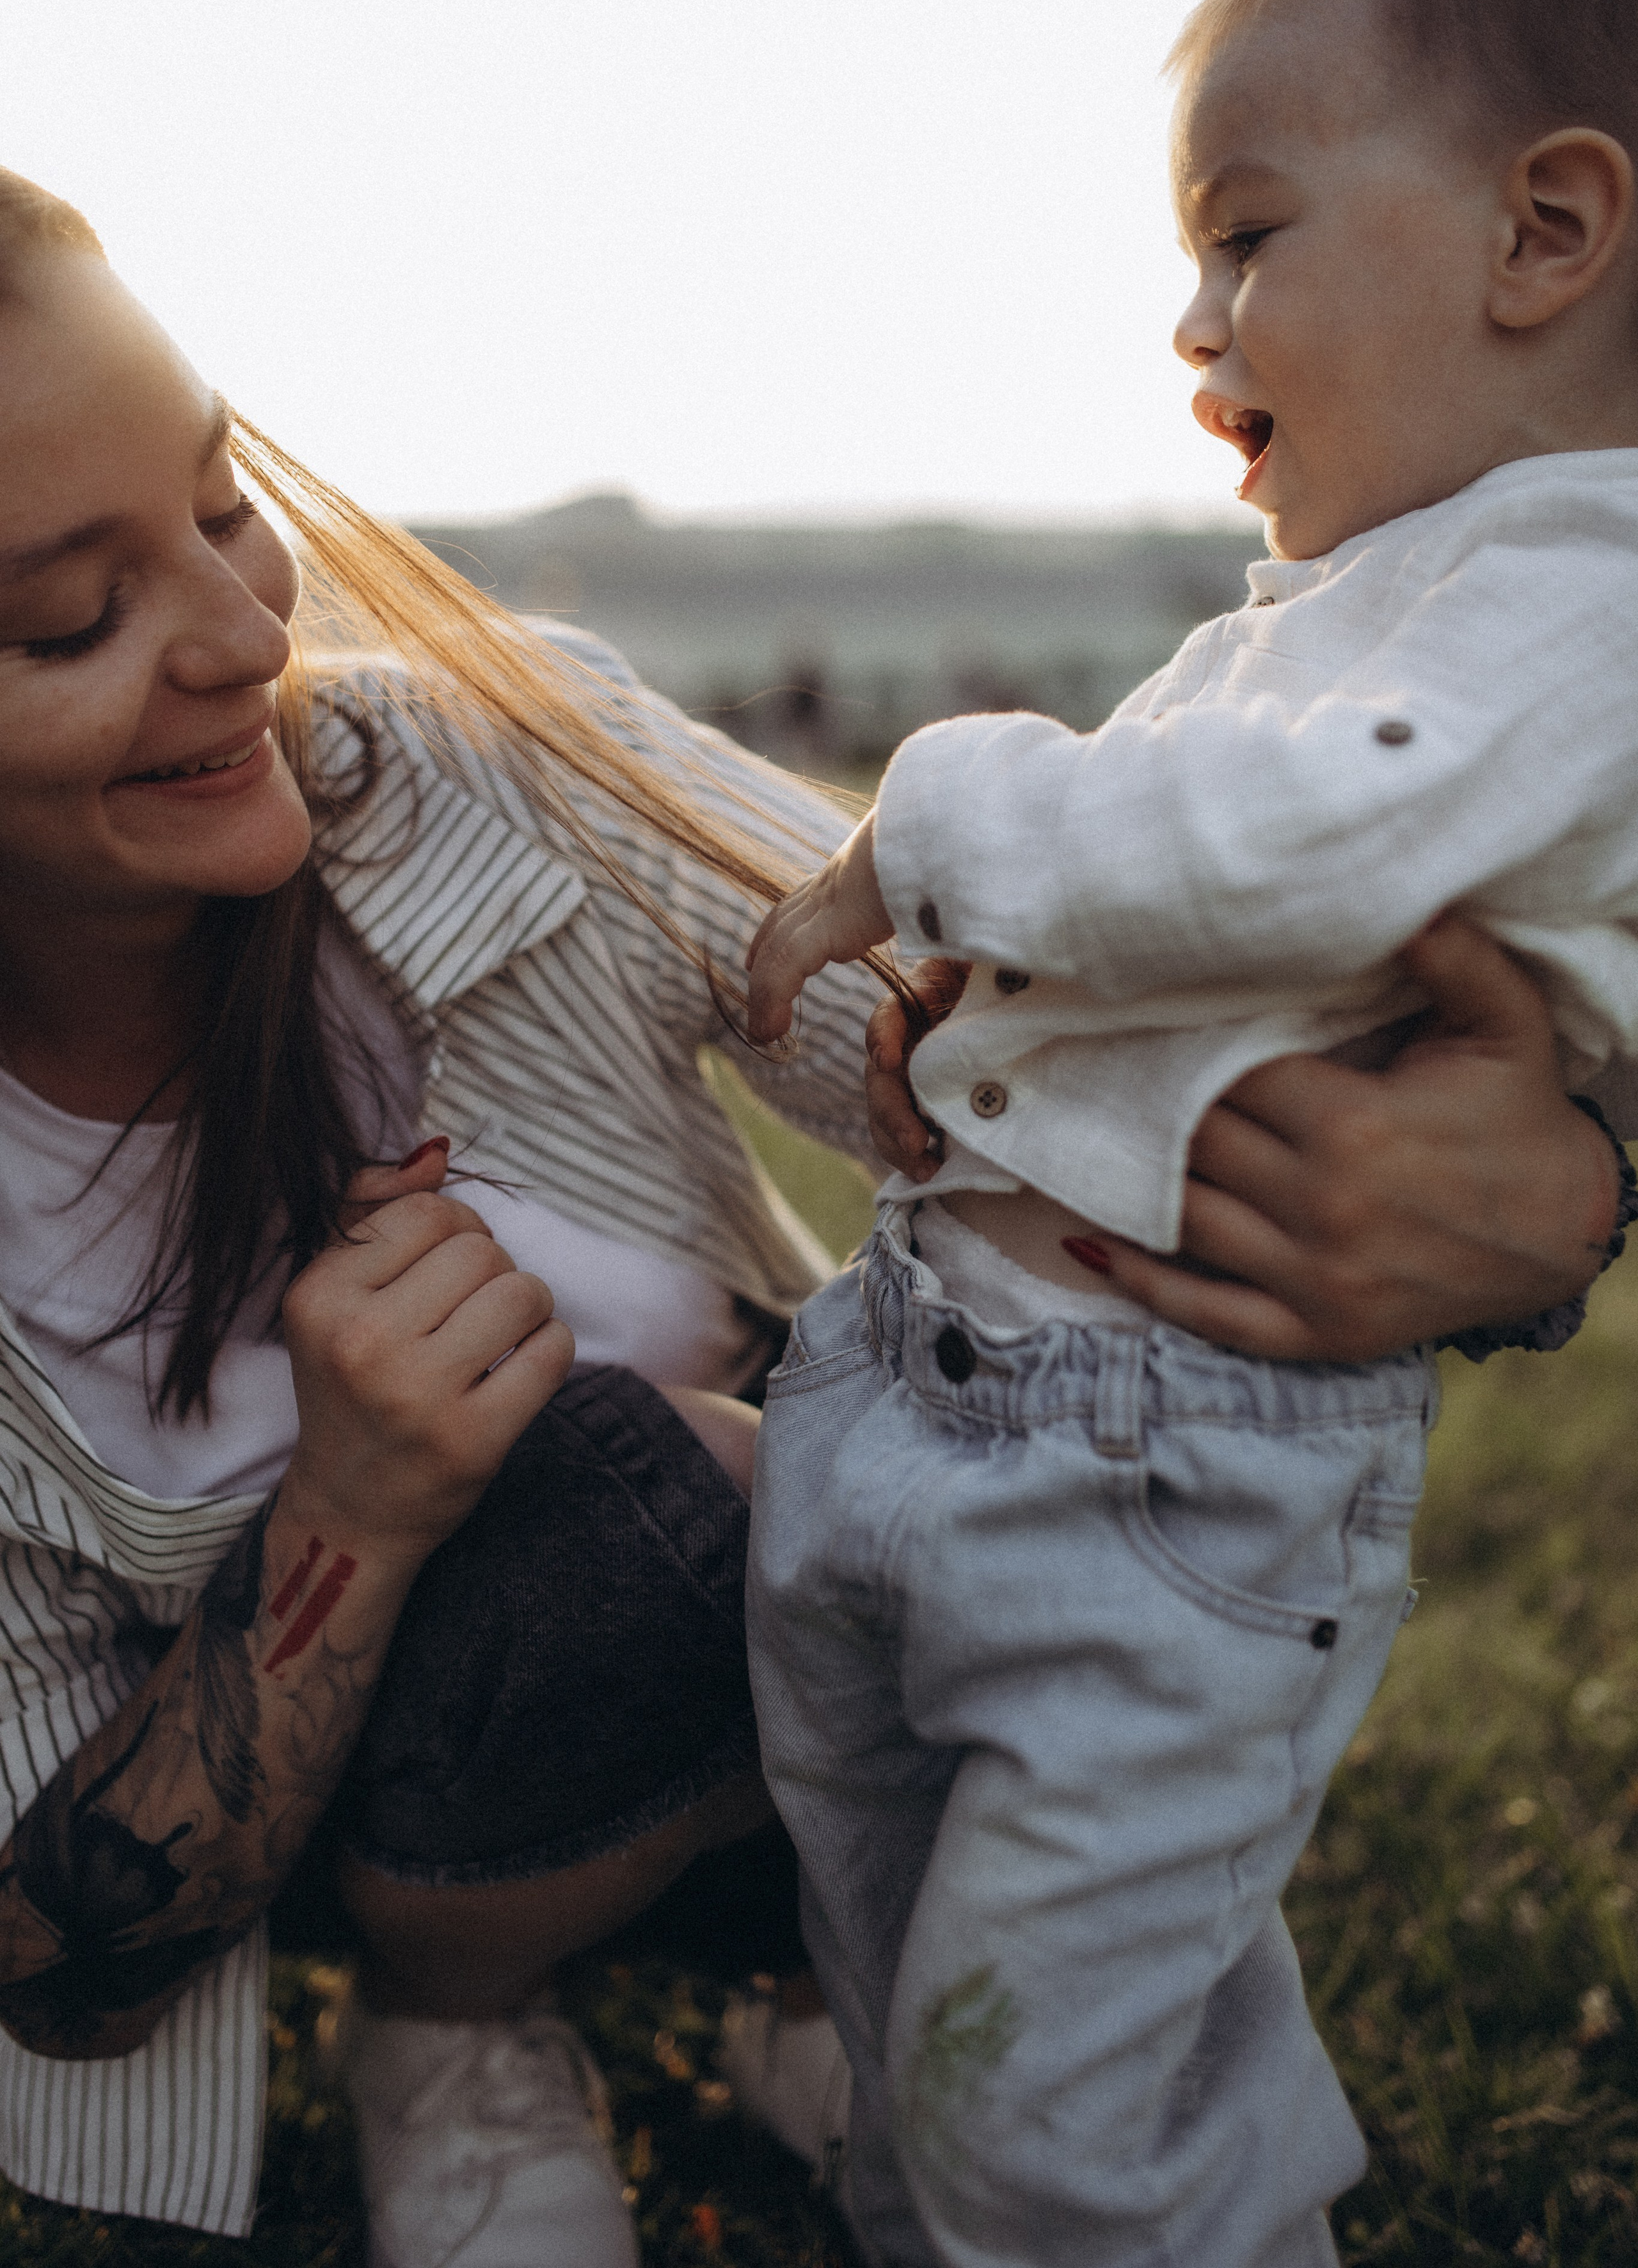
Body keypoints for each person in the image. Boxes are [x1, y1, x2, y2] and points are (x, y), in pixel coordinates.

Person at [0, 171, 1618, 2268]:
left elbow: (1020, 1033)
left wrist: (1557, 1186)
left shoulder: (489, 767)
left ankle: (818, 1974)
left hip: (827, 1683)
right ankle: (457, 2022)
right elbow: (55, 1957)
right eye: (66, 621)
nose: (244, 641)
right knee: (566, 1476)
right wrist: (348, 1521)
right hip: (381, 1817)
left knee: (961, 1502)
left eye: (223, 507)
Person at [742, 0, 1638, 2267]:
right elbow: (1184, 890)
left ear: (1546, 236)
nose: (1192, 322)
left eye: (1245, 237)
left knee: (1055, 2093)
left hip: (1164, 1471)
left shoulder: (1579, 588)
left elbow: (1296, 848)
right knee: (929, 2013)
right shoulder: (1360, 593)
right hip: (940, 1394)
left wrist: (931, 818)